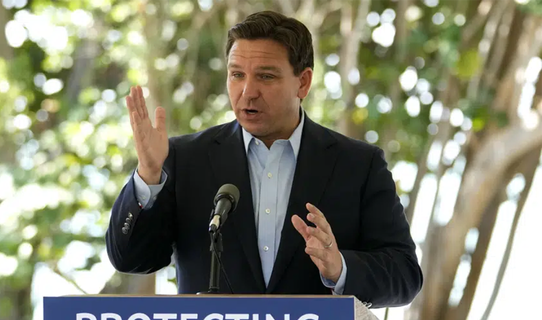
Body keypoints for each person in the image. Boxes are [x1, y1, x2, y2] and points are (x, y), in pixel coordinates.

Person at [105, 10, 422, 308]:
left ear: (303, 82)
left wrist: (340, 267)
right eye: (237, 75)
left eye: (266, 77)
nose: (247, 92)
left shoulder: (359, 165)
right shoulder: (184, 159)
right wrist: (148, 174)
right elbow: (131, 259)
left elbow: (405, 276)